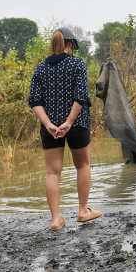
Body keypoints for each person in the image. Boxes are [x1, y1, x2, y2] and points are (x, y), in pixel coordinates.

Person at [27, 27, 100, 230]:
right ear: (70, 44)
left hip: (50, 128)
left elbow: (34, 100)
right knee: (83, 165)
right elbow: (81, 96)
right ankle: (83, 211)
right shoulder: (77, 64)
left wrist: (50, 124)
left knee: (52, 172)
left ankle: (55, 219)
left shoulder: (41, 68)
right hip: (76, 124)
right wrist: (68, 122)